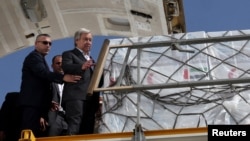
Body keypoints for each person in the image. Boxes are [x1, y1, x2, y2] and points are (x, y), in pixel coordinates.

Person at [18, 34, 81, 137]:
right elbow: (42, 73)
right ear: (36, 44)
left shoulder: (41, 59)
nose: (48, 45)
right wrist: (63, 77)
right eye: (45, 42)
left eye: (50, 44)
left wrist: (48, 102)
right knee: (29, 134)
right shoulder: (34, 57)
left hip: (38, 106)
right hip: (32, 105)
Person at [61, 28, 103, 135]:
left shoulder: (91, 59)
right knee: (75, 127)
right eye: (85, 39)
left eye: (90, 40)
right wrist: (82, 66)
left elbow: (95, 81)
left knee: (87, 130)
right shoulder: (69, 54)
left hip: (91, 100)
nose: (88, 42)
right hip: (76, 97)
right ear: (76, 40)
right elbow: (66, 67)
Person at [47, 55, 68, 136]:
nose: (61, 65)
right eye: (58, 63)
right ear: (52, 66)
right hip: (53, 118)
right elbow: (40, 96)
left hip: (68, 118)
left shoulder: (72, 82)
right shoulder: (48, 80)